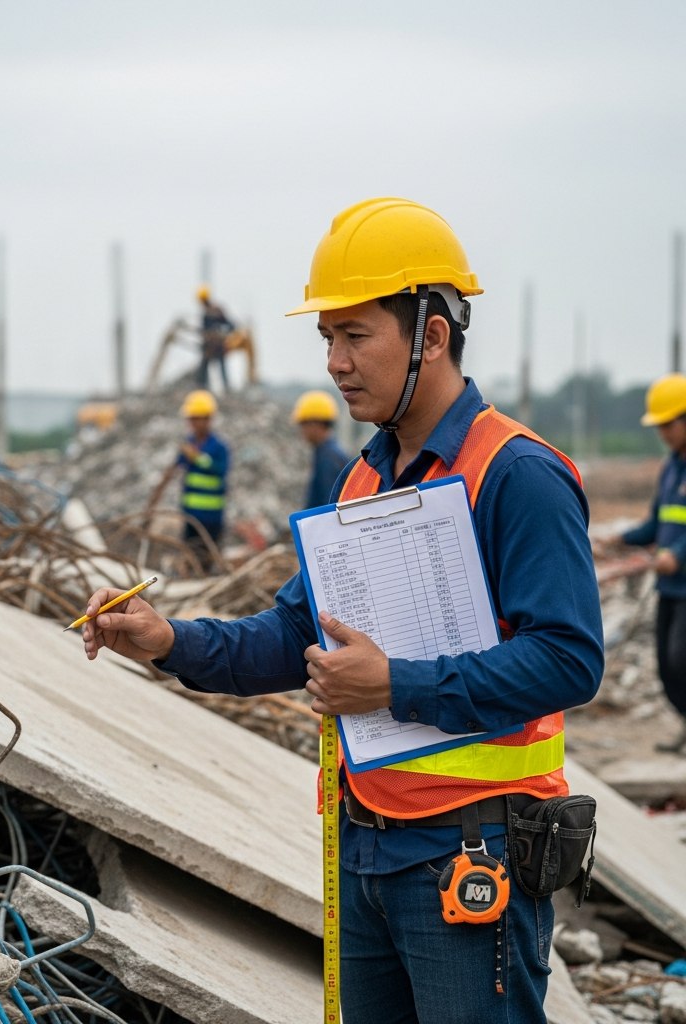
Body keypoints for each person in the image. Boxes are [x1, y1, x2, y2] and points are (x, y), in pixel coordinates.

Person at [81, 197, 604, 1022]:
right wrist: (166, 639)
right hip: (364, 851)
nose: (334, 360)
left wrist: (393, 684)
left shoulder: (517, 475)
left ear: (432, 334)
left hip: (472, 852)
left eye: (356, 335)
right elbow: (294, 637)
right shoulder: (361, 479)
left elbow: (570, 661)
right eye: (327, 337)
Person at [620, 373, 686, 753]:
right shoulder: (672, 467)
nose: (663, 432)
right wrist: (621, 539)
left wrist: (677, 555)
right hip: (669, 587)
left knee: (682, 659)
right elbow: (656, 524)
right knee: (665, 665)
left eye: (669, 424)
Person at [146, 388, 230, 575]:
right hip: (191, 515)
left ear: (207, 419)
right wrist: (154, 499)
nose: (191, 423)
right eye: (190, 419)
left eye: (195, 418)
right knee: (190, 557)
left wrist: (198, 458)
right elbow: (174, 468)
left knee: (208, 559)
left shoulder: (218, 447)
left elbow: (220, 470)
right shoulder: (189, 444)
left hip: (212, 517)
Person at [292, 388, 351, 508]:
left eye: (303, 424)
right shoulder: (326, 453)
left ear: (314, 424)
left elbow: (329, 507)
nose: (301, 431)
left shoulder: (329, 458)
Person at [195, 285, 235, 392]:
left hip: (217, 345)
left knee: (215, 366)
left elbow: (230, 325)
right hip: (210, 345)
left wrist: (221, 333)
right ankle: (202, 387)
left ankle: (205, 387)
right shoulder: (209, 312)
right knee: (206, 366)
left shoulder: (214, 311)